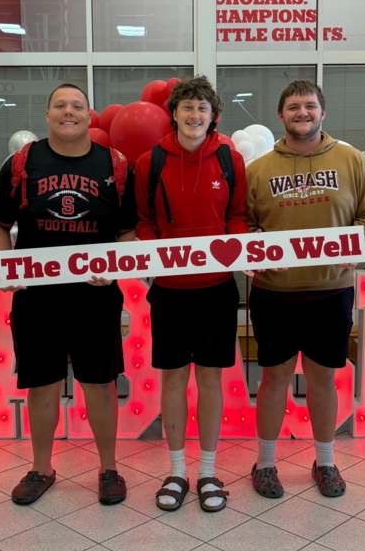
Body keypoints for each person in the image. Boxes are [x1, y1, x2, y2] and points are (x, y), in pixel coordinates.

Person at [0, 83, 136, 506]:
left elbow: (128, 233)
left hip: (96, 298)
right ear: (47, 115)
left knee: (100, 384)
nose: (68, 112)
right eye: (60, 105)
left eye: (77, 106)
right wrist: (6, 263)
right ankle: (41, 468)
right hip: (37, 298)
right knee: (42, 385)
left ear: (90, 115)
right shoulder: (22, 163)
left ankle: (109, 469)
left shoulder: (115, 165)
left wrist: (117, 265)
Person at [246, 80, 365, 498]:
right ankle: (266, 463)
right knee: (274, 378)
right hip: (275, 292)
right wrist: (252, 250)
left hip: (331, 290)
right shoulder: (259, 170)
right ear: (280, 115)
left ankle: (325, 462)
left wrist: (358, 243)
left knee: (324, 378)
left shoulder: (353, 161)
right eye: (293, 107)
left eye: (310, 106)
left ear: (323, 113)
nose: (302, 113)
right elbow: (243, 225)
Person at [134, 76, 247, 512]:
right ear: (174, 113)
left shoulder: (230, 159)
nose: (194, 115)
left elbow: (238, 216)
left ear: (212, 115)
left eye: (202, 108)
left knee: (211, 379)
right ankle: (178, 469)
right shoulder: (151, 161)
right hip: (169, 292)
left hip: (217, 290)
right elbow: (143, 220)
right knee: (174, 379)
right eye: (187, 108)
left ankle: (208, 471)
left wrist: (235, 250)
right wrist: (151, 251)